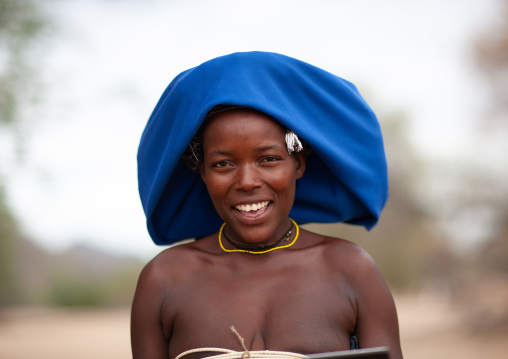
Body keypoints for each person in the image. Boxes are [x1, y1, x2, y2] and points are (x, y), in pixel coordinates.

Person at [131, 51, 403, 359]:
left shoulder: (351, 269)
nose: (247, 181)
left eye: (269, 159)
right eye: (223, 164)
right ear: (202, 171)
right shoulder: (164, 280)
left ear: (298, 163)